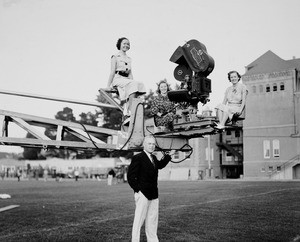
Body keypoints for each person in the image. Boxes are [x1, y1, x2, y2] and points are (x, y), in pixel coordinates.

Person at [127, 135, 174, 242]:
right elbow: (130, 176)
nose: (152, 146)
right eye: (149, 144)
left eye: (153, 144)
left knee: (152, 220)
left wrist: (169, 155)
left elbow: (160, 165)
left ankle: (153, 240)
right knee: (139, 220)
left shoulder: (153, 158)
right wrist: (137, 190)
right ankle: (135, 240)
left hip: (153, 194)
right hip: (142, 193)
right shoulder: (138, 157)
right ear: (144, 145)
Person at [107, 37, 146, 124]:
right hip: (117, 78)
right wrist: (108, 85)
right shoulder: (115, 56)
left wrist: (134, 84)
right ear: (120, 45)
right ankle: (130, 112)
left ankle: (127, 112)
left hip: (126, 79)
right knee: (132, 85)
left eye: (128, 44)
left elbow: (130, 73)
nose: (126, 45)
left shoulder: (129, 59)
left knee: (139, 84)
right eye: (124, 43)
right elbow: (112, 71)